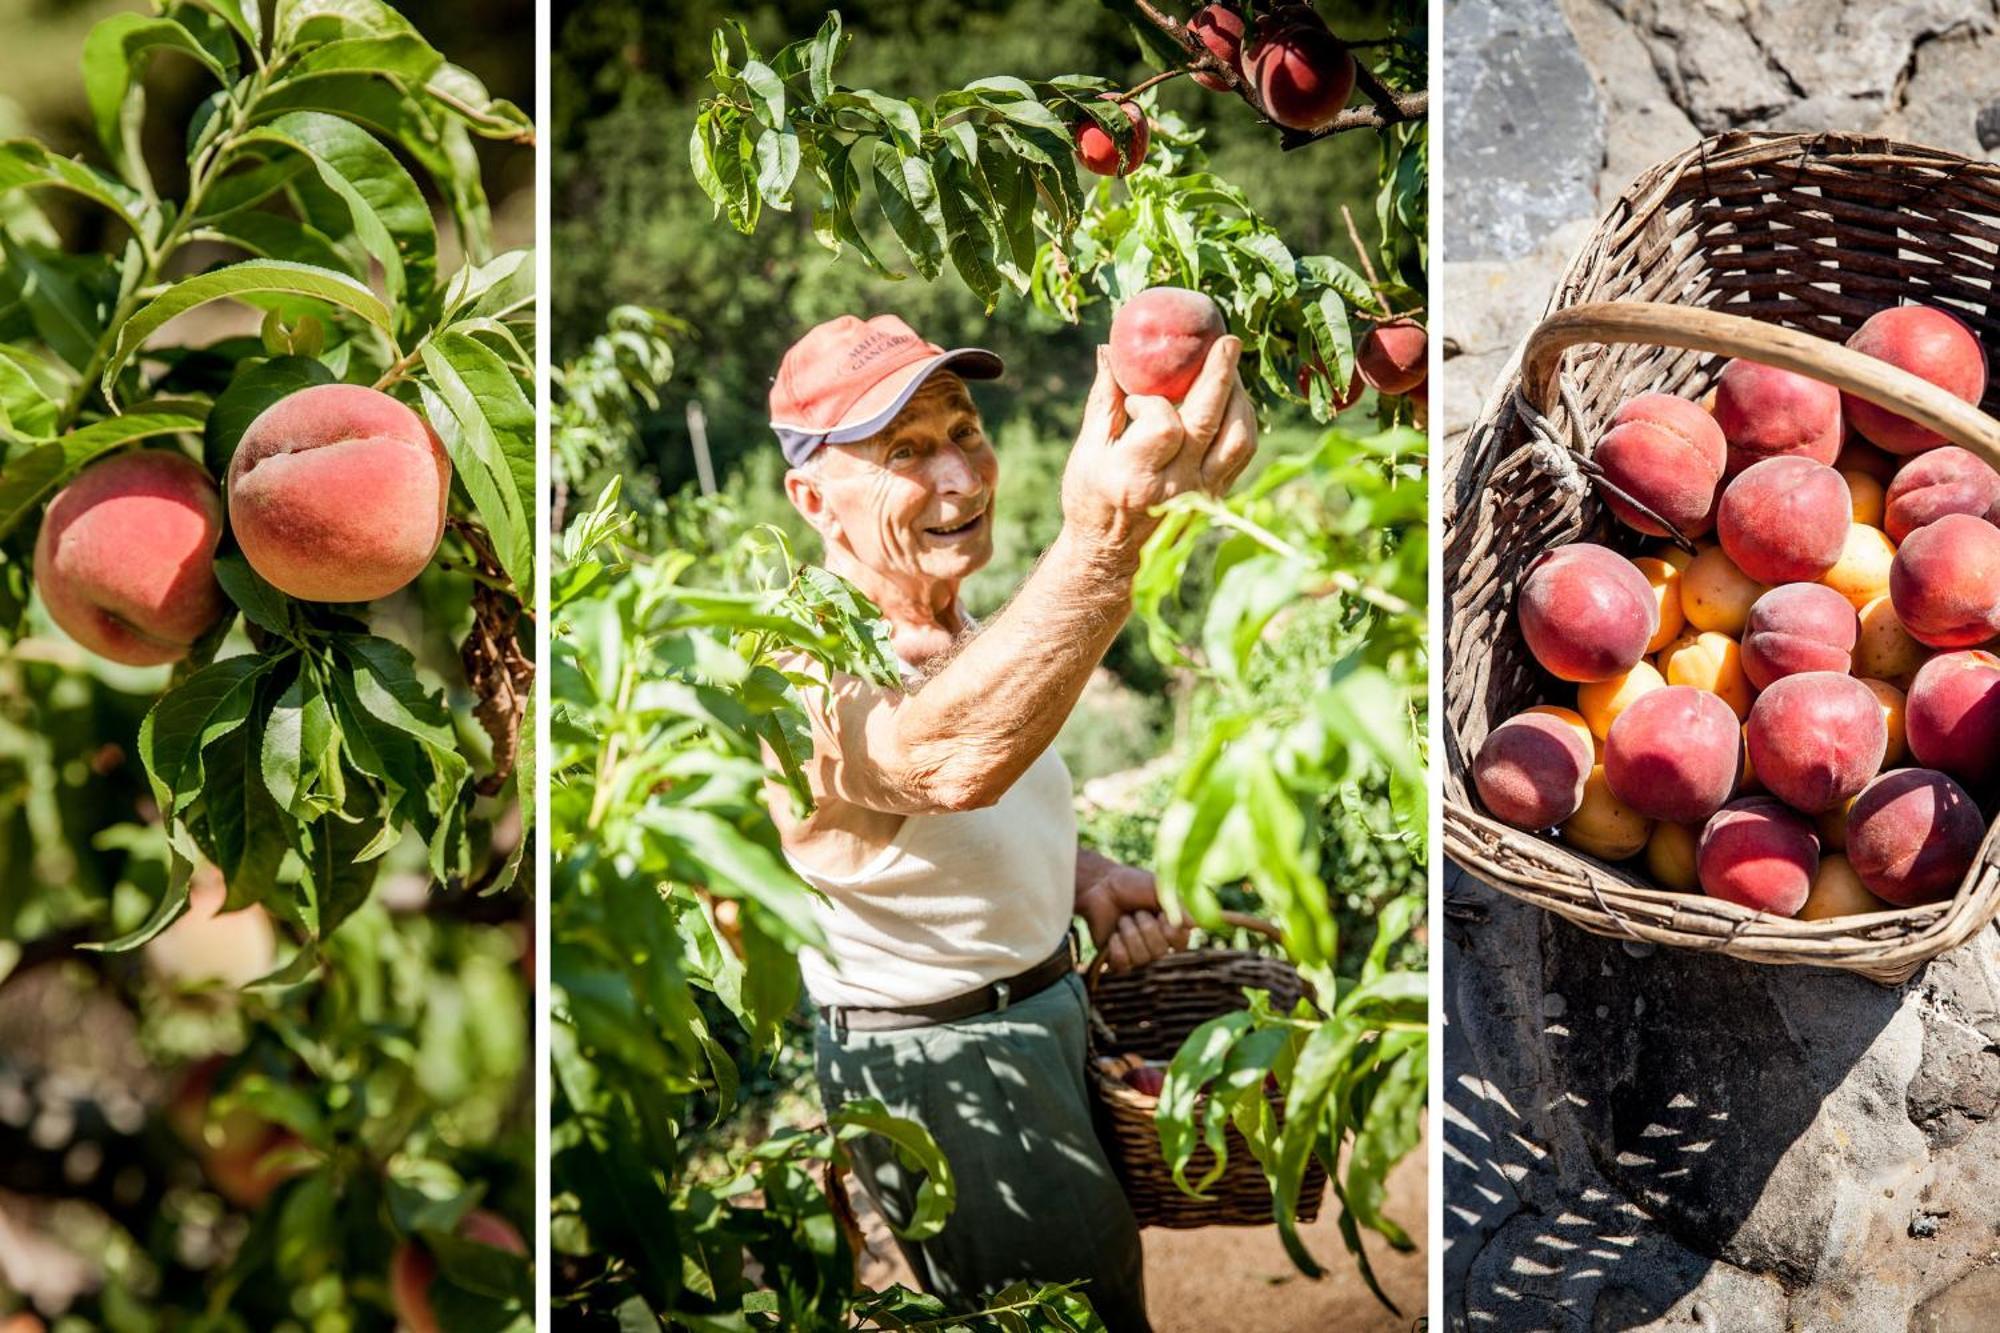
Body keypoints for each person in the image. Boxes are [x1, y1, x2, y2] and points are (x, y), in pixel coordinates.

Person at [764, 312, 1257, 1332]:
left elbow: (924, 833)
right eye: (903, 452)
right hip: (951, 1070)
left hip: (1037, 1021)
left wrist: (1082, 876)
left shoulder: (962, 630)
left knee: (1104, 1292)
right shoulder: (799, 668)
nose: (958, 476)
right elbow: (935, 763)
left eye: (963, 430)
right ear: (812, 499)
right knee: (1066, 1318)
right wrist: (1104, 545)